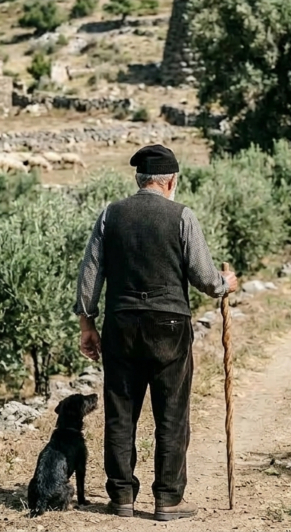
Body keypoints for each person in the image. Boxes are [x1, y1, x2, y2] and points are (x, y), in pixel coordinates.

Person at [73, 144, 238, 522]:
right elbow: (205, 278)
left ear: (139, 180)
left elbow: (89, 275)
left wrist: (87, 324)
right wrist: (225, 283)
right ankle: (167, 499)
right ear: (171, 181)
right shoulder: (182, 216)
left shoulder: (110, 214)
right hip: (170, 326)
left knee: (120, 412)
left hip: (121, 323)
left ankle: (121, 498)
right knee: (172, 414)